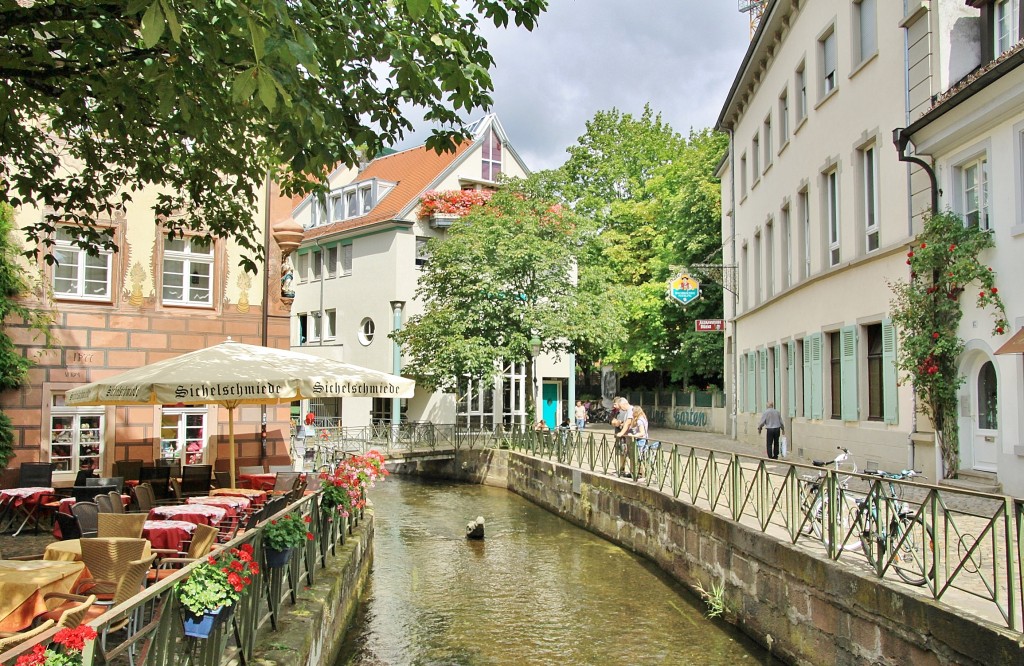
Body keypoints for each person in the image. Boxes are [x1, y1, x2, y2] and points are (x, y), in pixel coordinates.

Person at [612, 397, 636, 479]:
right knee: (629, 454)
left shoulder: (630, 410)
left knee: (632, 454)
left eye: (619, 405)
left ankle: (636, 473)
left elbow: (628, 422)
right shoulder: (625, 411)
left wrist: (621, 432)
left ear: (624, 404)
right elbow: (612, 420)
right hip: (627, 435)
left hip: (630, 436)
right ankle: (632, 472)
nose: (621, 408)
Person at [630, 405, 650, 478]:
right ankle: (642, 474)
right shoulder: (643, 418)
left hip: (640, 440)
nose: (632, 414)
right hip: (645, 439)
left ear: (636, 412)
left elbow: (642, 433)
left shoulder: (639, 421)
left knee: (639, 458)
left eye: (633, 412)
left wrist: (633, 435)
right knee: (641, 457)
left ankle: (642, 474)